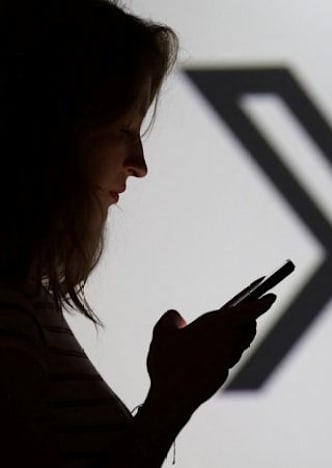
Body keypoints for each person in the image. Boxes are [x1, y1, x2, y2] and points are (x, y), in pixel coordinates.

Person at [0, 1, 277, 467]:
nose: (140, 165)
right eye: (126, 130)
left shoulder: (27, 304)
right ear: (58, 133)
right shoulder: (9, 313)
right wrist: (171, 400)